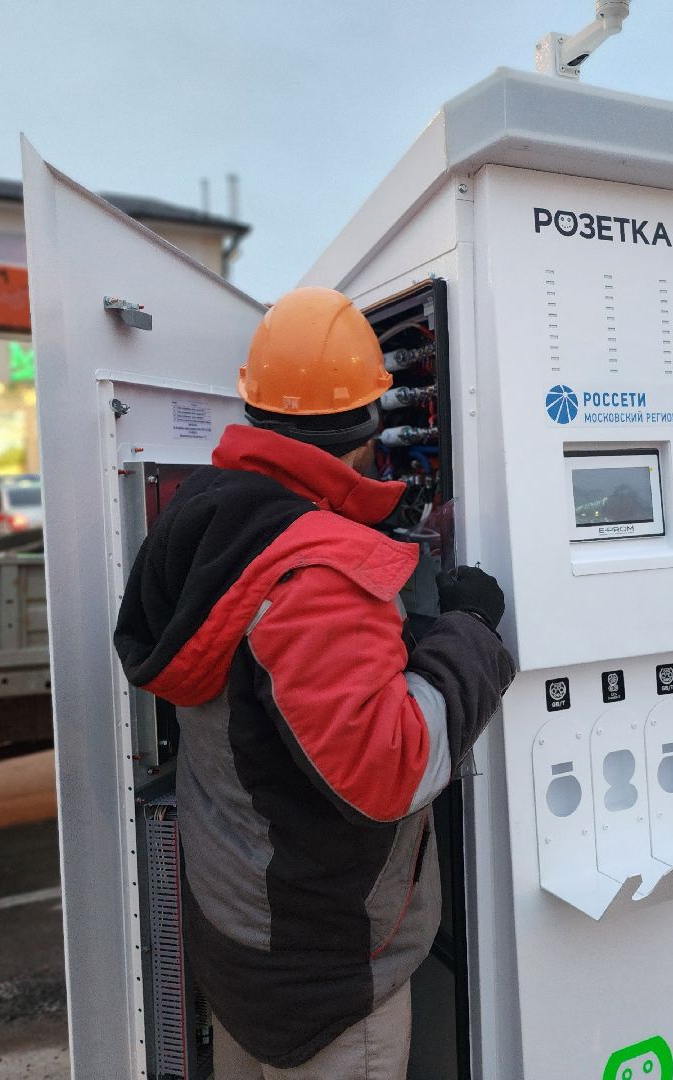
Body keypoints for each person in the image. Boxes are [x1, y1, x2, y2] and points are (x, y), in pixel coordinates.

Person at [114, 287, 516, 1079]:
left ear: (253, 405)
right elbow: (389, 768)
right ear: (372, 426)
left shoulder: (206, 518)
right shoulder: (322, 571)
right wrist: (468, 634)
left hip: (242, 944)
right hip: (325, 986)